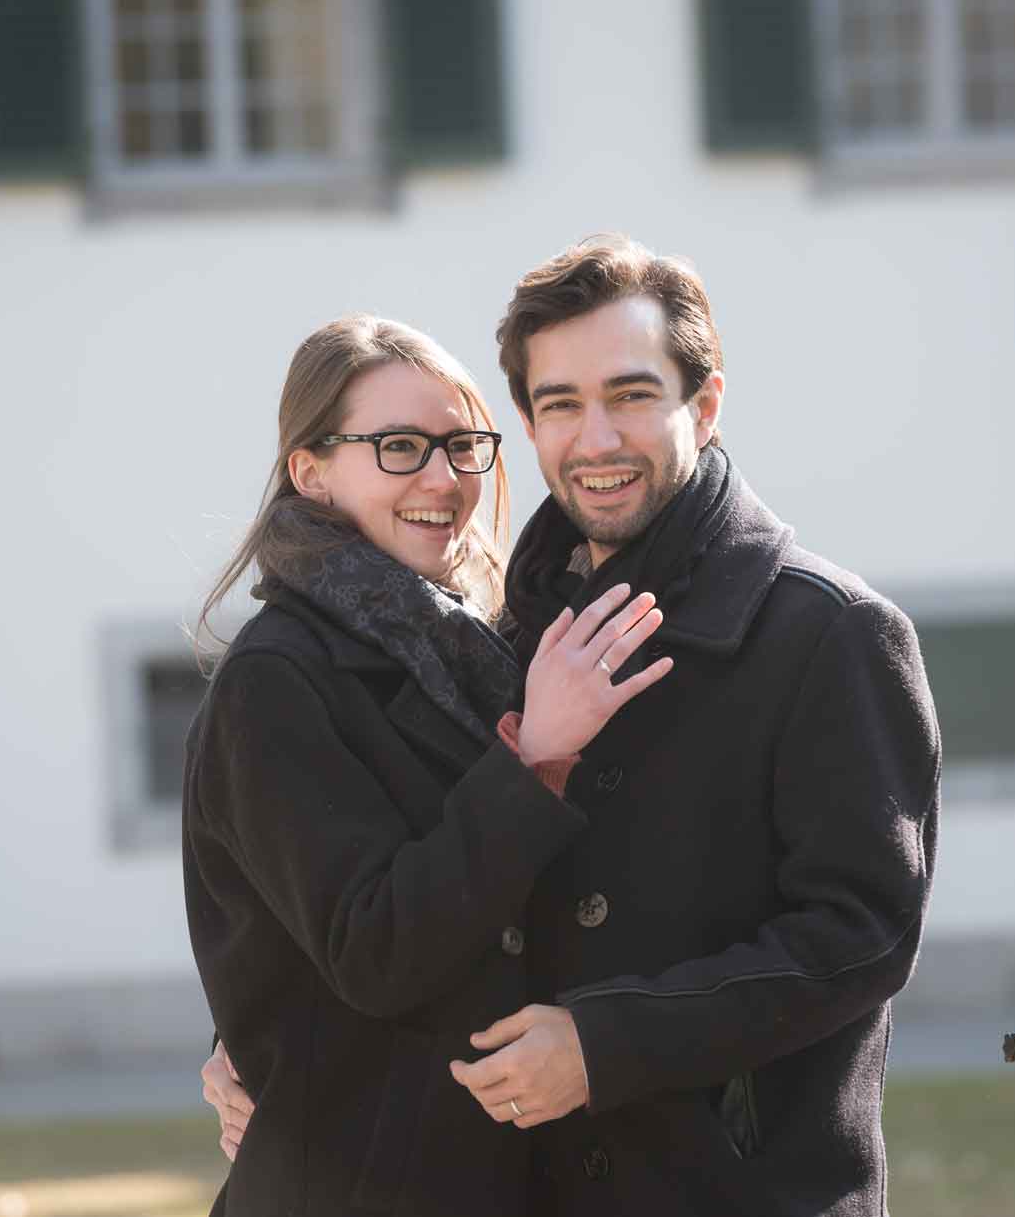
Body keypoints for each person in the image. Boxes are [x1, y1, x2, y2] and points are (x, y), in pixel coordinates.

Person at [207, 243, 942, 1216]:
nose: (595, 438)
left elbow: (862, 935)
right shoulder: (503, 634)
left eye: (631, 394)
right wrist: (268, 1040)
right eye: (559, 404)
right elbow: (397, 896)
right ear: (530, 422)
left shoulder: (830, 630)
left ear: (706, 404)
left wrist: (605, 1046)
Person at [183, 314, 672, 1217]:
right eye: (400, 447)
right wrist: (532, 759)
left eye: (463, 446)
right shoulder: (276, 680)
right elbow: (372, 948)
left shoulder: (483, 647)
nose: (444, 480)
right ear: (312, 471)